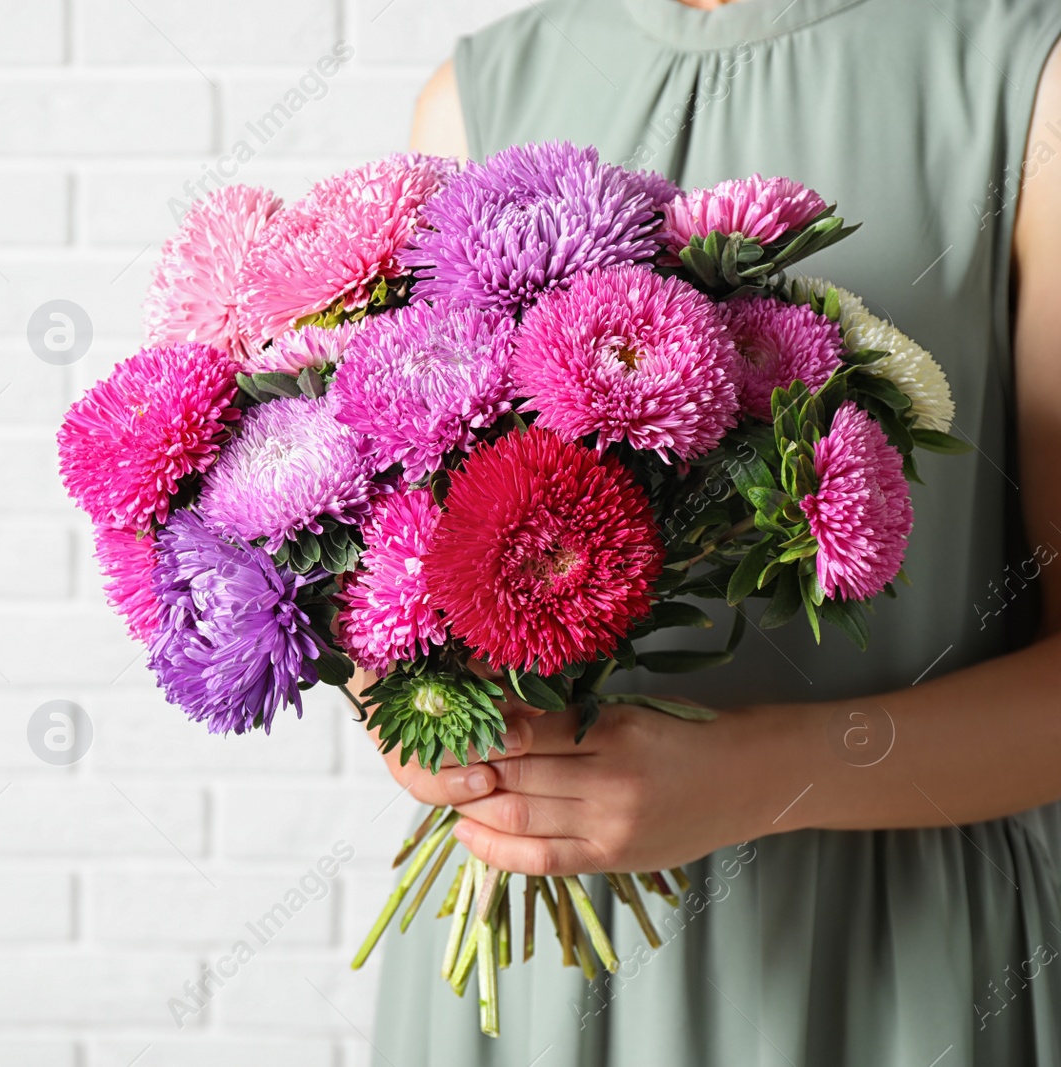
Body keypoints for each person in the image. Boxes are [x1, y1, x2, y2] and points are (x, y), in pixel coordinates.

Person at [363, 0, 1061, 1063]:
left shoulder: (1025, 80)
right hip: (526, 975)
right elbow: (398, 538)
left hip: (887, 972)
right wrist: (417, 715)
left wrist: (759, 772)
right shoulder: (475, 95)